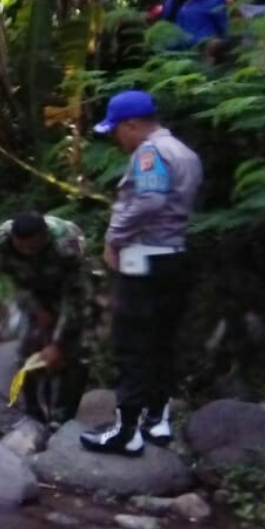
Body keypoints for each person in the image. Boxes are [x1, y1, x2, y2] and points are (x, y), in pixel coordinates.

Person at [82, 90, 202, 456]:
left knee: (131, 344)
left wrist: (113, 238)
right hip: (174, 256)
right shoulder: (185, 152)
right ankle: (157, 419)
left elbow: (150, 199)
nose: (117, 139)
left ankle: (126, 432)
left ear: (132, 125)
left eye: (117, 130)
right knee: (162, 341)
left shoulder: (150, 152)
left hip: (143, 258)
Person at [0, 212, 88, 427]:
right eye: (22, 247)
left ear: (44, 238)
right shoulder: (4, 242)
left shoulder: (67, 245)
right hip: (33, 288)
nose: (26, 251)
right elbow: (16, 281)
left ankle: (63, 416)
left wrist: (58, 343)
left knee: (74, 352)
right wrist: (36, 310)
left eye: (32, 247)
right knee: (28, 348)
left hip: (66, 287)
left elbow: (76, 296)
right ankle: (33, 413)